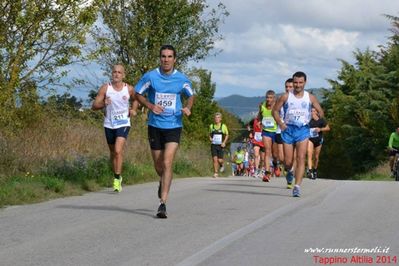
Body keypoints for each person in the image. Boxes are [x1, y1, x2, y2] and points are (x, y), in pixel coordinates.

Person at [135, 45, 194, 218]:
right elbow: (137, 93)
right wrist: (150, 105)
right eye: (163, 56)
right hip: (155, 126)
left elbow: (190, 95)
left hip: (174, 125)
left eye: (169, 56)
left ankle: (163, 203)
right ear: (160, 58)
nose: (166, 59)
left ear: (175, 59)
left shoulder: (181, 79)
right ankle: (163, 181)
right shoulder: (151, 76)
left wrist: (188, 107)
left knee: (167, 162)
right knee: (159, 165)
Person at [272, 71, 324, 197]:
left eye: (300, 82)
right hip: (288, 130)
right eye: (295, 82)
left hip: (303, 130)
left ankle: (297, 186)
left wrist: (314, 117)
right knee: (288, 161)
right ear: (293, 83)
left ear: (305, 82)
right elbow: (275, 111)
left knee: (301, 158)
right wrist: (281, 123)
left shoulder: (310, 97)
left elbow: (321, 112)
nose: (298, 85)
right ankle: (289, 171)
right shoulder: (285, 97)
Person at [92, 64, 135, 192]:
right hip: (109, 124)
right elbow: (94, 106)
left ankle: (117, 179)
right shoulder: (106, 88)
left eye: (119, 72)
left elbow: (137, 99)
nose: (116, 74)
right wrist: (102, 103)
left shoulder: (129, 89)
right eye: (114, 72)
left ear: (123, 75)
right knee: (113, 153)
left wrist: (133, 109)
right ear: (112, 74)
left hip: (123, 123)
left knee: (117, 150)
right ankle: (117, 173)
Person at [259, 90, 279, 182]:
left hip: (275, 131)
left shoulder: (277, 106)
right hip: (266, 131)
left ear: (274, 98)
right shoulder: (262, 105)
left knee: (275, 154)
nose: (268, 99)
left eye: (271, 98)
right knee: (267, 151)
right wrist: (260, 121)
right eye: (267, 97)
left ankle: (275, 164)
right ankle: (267, 173)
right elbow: (260, 115)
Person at [275, 78, 294, 176]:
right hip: (280, 129)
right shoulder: (281, 98)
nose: (288, 89)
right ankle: (289, 169)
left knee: (291, 157)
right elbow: (275, 112)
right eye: (286, 87)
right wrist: (279, 122)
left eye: (290, 87)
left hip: (292, 131)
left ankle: (292, 171)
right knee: (282, 158)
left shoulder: (297, 100)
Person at [307, 107, 330, 179]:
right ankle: (310, 171)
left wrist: (320, 129)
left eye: (314, 111)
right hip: (310, 139)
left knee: (316, 157)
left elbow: (328, 128)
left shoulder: (321, 120)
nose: (312, 112)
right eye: (311, 111)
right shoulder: (308, 120)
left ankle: (315, 170)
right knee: (309, 155)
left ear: (317, 112)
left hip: (318, 140)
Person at [209, 112, 229, 178]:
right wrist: (210, 138)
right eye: (215, 117)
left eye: (218, 118)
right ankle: (216, 173)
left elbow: (227, 135)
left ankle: (222, 165)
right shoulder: (211, 126)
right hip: (214, 145)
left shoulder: (223, 126)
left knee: (219, 160)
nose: (216, 119)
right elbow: (209, 134)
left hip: (220, 145)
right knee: (215, 159)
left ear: (220, 119)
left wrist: (224, 142)